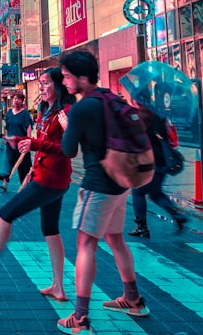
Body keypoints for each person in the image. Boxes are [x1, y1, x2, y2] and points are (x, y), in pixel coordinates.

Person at [0, 67, 73, 302]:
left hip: (50, 179)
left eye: (46, 83)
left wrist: (34, 145)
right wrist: (22, 140)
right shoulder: (47, 111)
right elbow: (43, 141)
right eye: (40, 83)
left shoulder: (65, 113)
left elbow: (68, 150)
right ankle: (58, 287)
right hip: (50, 176)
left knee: (6, 213)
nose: (41, 87)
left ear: (59, 85)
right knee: (50, 230)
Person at [57, 50, 149, 331]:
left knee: (85, 245)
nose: (64, 82)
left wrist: (67, 127)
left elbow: (68, 150)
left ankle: (80, 317)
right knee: (115, 239)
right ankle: (133, 299)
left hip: (98, 185)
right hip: (121, 182)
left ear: (82, 77)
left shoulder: (82, 108)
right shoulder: (110, 97)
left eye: (67, 77)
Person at [127, 106, 188, 237]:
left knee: (138, 193)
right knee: (155, 193)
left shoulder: (139, 118)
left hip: (146, 162)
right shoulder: (160, 118)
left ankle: (141, 226)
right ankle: (175, 214)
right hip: (162, 161)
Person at [1, 94, 33, 180]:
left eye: (19, 99)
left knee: (24, 167)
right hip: (10, 144)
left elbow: (29, 126)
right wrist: (6, 137)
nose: (16, 100)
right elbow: (7, 126)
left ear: (22, 101)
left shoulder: (25, 113)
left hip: (22, 144)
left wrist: (28, 140)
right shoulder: (9, 113)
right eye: (15, 99)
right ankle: (5, 183)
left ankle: (25, 184)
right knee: (7, 166)